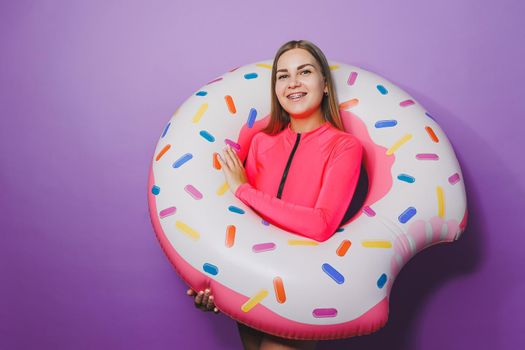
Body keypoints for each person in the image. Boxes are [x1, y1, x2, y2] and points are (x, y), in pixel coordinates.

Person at [187, 39, 363, 350]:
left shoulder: (344, 146)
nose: (293, 82)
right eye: (283, 75)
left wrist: (243, 189)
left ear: (324, 84)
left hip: (301, 287)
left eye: (304, 72)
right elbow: (239, 224)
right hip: (252, 282)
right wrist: (217, 289)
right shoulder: (260, 144)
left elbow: (321, 225)